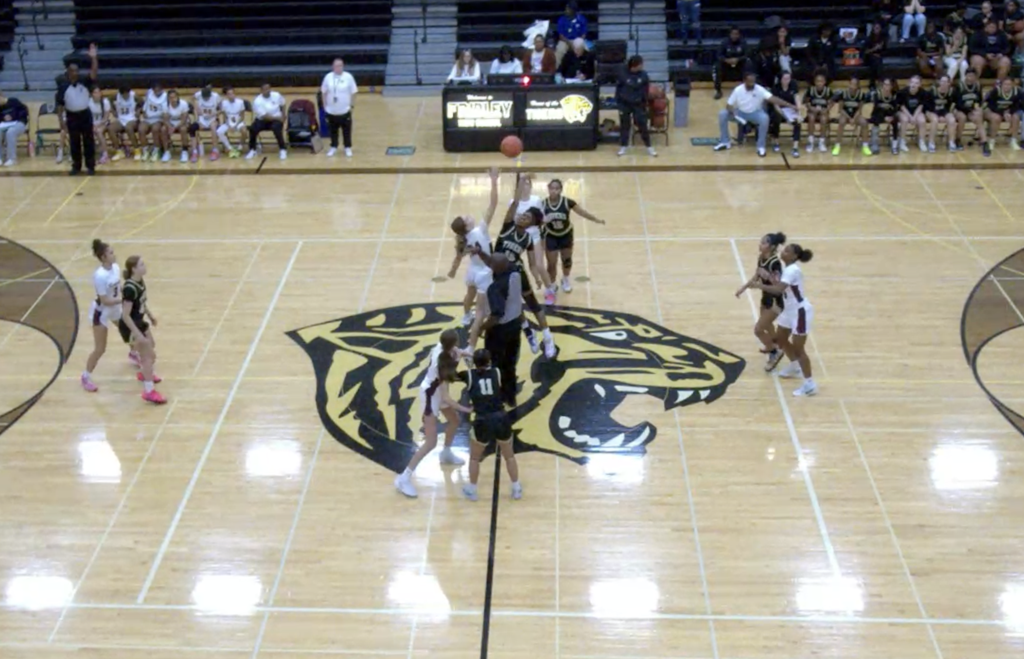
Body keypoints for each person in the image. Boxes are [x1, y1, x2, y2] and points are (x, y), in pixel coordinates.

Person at [393, 329, 470, 499]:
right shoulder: (441, 363)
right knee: (430, 442)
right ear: (454, 342)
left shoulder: (444, 348)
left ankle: (447, 453)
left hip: (436, 392)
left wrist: (471, 355)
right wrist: (466, 409)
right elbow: (447, 398)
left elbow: (460, 352)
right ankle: (403, 478)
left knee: (454, 421)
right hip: (430, 396)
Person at [749, 243, 817, 397]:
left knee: (800, 349)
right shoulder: (786, 269)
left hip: (800, 312)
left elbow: (778, 290)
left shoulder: (792, 271)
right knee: (780, 339)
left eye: (787, 251)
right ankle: (794, 365)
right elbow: (780, 286)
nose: (783, 251)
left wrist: (759, 285)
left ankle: (809, 383)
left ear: (793, 256)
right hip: (789, 310)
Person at [462, 349, 521, 502]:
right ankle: (516, 488)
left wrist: (462, 355)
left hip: (482, 420)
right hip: (501, 418)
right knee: (509, 456)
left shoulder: (468, 375)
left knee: (475, 458)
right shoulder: (496, 372)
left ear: (474, 362)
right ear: (489, 361)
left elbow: (450, 375)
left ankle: (473, 490)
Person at [448, 167, 500, 329]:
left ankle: (465, 316)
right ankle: (482, 323)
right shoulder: (481, 230)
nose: (468, 215)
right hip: (484, 271)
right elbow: (493, 203)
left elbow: (457, 259)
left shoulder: (463, 240)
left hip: (472, 270)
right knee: (483, 302)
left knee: (469, 295)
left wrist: (453, 271)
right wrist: (493, 180)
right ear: (467, 225)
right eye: (465, 218)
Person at [542, 177, 605, 295]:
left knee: (566, 260)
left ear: (560, 190)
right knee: (551, 263)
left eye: (557, 189)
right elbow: (536, 220)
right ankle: (552, 284)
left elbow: (582, 212)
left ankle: (565, 279)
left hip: (566, 235)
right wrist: (543, 221)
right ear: (548, 189)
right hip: (551, 235)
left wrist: (596, 220)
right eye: (552, 188)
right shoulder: (542, 204)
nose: (554, 191)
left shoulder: (567, 202)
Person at [714, 69, 798, 157]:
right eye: (749, 82)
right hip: (740, 113)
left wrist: (790, 105)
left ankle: (761, 146)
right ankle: (725, 141)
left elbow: (773, 99)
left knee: (765, 118)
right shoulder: (738, 90)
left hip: (755, 113)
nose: (752, 84)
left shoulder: (759, 89)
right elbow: (728, 105)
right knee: (722, 114)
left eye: (753, 81)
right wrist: (733, 111)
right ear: (744, 81)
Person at [735, 231, 787, 372]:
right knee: (768, 326)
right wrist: (743, 288)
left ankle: (774, 352)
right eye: (761, 241)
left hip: (776, 302)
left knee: (758, 330)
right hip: (766, 299)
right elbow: (756, 275)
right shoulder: (761, 258)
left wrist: (759, 286)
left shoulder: (775, 264)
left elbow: (777, 288)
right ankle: (773, 345)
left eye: (764, 242)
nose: (760, 244)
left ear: (771, 247)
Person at [118, 255, 166, 405]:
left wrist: (150, 316)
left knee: (151, 349)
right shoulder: (129, 288)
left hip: (139, 322)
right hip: (130, 326)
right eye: (141, 265)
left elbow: (142, 302)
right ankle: (149, 391)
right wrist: (137, 334)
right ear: (134, 269)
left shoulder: (140, 282)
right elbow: (125, 315)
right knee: (148, 356)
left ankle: (145, 374)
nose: (145, 267)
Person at [480, 253, 524, 407]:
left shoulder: (495, 288)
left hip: (500, 331)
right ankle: (510, 397)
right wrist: (480, 252)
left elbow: (496, 316)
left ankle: (495, 396)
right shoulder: (515, 271)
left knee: (495, 363)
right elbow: (494, 263)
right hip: (515, 325)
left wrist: (481, 327)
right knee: (510, 363)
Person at [82, 239, 121, 392]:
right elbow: (105, 300)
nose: (114, 255)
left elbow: (119, 287)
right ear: (103, 257)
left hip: (115, 307)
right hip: (102, 313)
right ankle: (85, 376)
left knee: (129, 331)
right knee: (100, 348)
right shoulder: (99, 276)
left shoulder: (116, 268)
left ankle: (133, 353)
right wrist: (123, 301)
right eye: (110, 253)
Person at [56, 43, 99, 176]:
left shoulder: (84, 81)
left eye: (76, 70)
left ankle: (91, 166)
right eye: (72, 71)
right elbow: (60, 106)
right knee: (74, 142)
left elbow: (93, 73)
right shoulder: (63, 86)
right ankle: (76, 166)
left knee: (88, 141)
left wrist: (93, 58)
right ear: (68, 72)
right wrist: (61, 122)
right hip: (71, 116)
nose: (75, 73)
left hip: (85, 114)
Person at [616, 55, 657, 157]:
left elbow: (646, 90)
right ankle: (623, 146)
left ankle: (649, 147)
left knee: (642, 125)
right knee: (625, 125)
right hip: (624, 103)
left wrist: (644, 102)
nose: (642, 66)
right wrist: (619, 102)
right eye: (640, 64)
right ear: (634, 66)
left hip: (638, 104)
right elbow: (618, 89)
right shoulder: (622, 74)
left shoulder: (643, 75)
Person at [320, 58, 358, 158]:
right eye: (336, 66)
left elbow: (354, 92)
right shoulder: (328, 77)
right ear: (333, 67)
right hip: (331, 111)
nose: (339, 68)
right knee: (333, 131)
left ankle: (347, 147)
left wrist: (352, 106)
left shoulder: (348, 77)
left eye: (340, 65)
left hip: (345, 110)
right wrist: (324, 106)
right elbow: (323, 92)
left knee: (346, 130)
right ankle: (333, 146)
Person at [246, 83, 287, 161]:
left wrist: (283, 115)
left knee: (277, 129)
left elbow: (283, 104)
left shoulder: (276, 95)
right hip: (263, 120)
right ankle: (252, 149)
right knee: (253, 129)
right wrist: (278, 118)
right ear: (261, 91)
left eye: (269, 89)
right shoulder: (257, 101)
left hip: (276, 120)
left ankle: (282, 149)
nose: (267, 91)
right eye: (265, 89)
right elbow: (265, 116)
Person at [832, 75, 871, 155]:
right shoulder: (843, 94)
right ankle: (837, 145)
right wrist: (849, 118)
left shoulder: (861, 95)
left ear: (857, 85)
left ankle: (865, 146)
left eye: (855, 84)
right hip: (845, 114)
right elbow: (840, 109)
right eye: (852, 84)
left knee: (864, 123)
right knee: (841, 122)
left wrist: (854, 118)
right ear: (849, 84)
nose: (853, 86)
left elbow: (860, 110)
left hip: (855, 115)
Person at [953, 69, 989, 154]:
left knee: (979, 116)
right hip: (958, 109)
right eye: (969, 76)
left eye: (973, 76)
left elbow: (979, 100)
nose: (971, 78)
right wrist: (970, 110)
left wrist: (977, 107)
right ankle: (957, 139)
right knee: (962, 118)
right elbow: (957, 103)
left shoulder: (977, 86)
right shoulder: (959, 86)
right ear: (965, 76)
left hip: (970, 110)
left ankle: (984, 142)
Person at [984, 76, 1023, 151]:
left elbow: (1017, 105)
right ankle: (991, 140)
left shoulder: (1017, 91)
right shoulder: (996, 91)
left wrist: (1009, 112)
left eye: (1009, 84)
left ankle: (1013, 140)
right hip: (991, 110)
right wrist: (1003, 113)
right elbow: (990, 105)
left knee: (1016, 116)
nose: (1007, 86)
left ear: (1013, 85)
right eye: (1005, 84)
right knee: (997, 118)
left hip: (1006, 111)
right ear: (1001, 85)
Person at [768, 71, 801, 157]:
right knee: (776, 118)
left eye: (789, 78)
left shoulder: (793, 86)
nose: (787, 80)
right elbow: (776, 105)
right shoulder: (775, 88)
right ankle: (776, 141)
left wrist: (799, 112)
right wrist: (786, 117)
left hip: (791, 110)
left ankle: (795, 147)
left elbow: (797, 99)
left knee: (797, 122)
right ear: (780, 79)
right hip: (780, 111)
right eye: (785, 79)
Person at [897, 75, 930, 152]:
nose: (913, 85)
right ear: (909, 83)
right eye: (912, 82)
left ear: (920, 85)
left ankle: (921, 141)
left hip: (916, 111)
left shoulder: (923, 93)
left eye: (916, 83)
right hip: (904, 111)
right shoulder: (902, 92)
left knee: (922, 120)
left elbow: (920, 106)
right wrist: (910, 117)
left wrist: (914, 117)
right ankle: (902, 141)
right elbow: (902, 106)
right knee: (904, 120)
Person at [868, 77, 901, 155]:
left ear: (891, 86)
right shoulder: (877, 94)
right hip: (878, 114)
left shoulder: (894, 95)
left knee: (896, 120)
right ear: (882, 85)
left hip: (889, 115)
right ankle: (874, 144)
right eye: (885, 85)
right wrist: (884, 118)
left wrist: (892, 116)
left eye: (888, 85)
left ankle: (894, 145)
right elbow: (876, 108)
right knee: (876, 119)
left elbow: (895, 108)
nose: (886, 87)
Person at [714, 26, 748, 100]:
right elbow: (719, 55)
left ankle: (747, 89)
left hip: (739, 63)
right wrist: (726, 60)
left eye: (736, 34)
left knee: (748, 64)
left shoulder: (743, 42)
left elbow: (747, 55)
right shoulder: (724, 42)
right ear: (730, 34)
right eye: (733, 34)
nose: (734, 36)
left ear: (739, 35)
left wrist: (738, 59)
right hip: (726, 64)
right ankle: (718, 91)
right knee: (718, 66)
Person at [191, 84, 221, 162]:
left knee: (213, 128)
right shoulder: (198, 94)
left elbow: (221, 109)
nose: (206, 99)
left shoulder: (216, 97)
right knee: (192, 128)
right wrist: (196, 108)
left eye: (207, 97)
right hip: (202, 119)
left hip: (212, 118)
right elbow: (193, 99)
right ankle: (194, 151)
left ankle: (215, 150)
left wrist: (214, 114)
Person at [927, 74, 959, 151]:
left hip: (945, 111)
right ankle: (931, 142)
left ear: (949, 83)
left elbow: (955, 104)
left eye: (946, 82)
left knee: (952, 120)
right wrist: (938, 115)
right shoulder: (932, 90)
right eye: (942, 81)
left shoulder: (952, 91)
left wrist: (950, 113)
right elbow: (927, 105)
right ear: (939, 82)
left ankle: (951, 142)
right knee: (935, 120)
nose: (944, 83)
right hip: (931, 111)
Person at [140, 83, 169, 163]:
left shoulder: (166, 96)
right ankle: (145, 150)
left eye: (158, 90)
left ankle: (157, 149)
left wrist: (164, 118)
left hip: (158, 118)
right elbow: (146, 104)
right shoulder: (149, 93)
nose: (156, 92)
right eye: (155, 90)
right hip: (148, 118)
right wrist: (144, 111)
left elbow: (165, 112)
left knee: (155, 129)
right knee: (141, 129)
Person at [804, 72, 832, 153]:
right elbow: (806, 102)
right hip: (812, 112)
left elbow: (831, 103)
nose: (819, 83)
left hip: (823, 112)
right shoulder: (811, 89)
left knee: (823, 119)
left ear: (824, 82)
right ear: (814, 82)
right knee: (811, 118)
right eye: (817, 81)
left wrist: (827, 109)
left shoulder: (828, 90)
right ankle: (811, 141)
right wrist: (811, 108)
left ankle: (822, 141)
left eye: (821, 81)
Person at [217, 86, 248, 158]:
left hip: (238, 121)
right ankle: (229, 147)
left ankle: (240, 147)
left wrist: (236, 125)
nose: (231, 95)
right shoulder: (224, 103)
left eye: (232, 93)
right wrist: (229, 125)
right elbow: (225, 117)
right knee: (219, 131)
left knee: (244, 131)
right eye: (229, 94)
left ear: (235, 94)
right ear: (226, 95)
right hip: (228, 122)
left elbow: (242, 116)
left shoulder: (240, 102)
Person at [111, 86, 140, 160]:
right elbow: (109, 100)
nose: (126, 96)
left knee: (128, 128)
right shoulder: (116, 96)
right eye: (124, 94)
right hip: (121, 119)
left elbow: (142, 103)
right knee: (111, 128)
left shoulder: (134, 96)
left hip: (132, 118)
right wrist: (113, 110)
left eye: (127, 94)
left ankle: (137, 150)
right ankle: (119, 151)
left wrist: (138, 110)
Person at [0, 92, 29, 167]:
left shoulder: (14, 101)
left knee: (10, 132)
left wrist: (13, 117)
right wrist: (3, 118)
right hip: (5, 125)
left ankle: (12, 158)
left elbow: (24, 112)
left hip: (19, 123)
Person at [556, 1, 588, 67]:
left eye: (568, 9)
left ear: (573, 10)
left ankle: (587, 70)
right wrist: (569, 43)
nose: (566, 10)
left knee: (587, 49)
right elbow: (561, 36)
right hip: (565, 41)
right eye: (566, 8)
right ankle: (556, 71)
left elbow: (584, 34)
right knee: (559, 50)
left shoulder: (581, 19)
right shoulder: (562, 19)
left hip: (577, 40)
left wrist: (578, 42)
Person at [165, 90, 192, 163]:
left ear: (177, 97)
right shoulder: (165, 105)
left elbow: (183, 120)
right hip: (171, 123)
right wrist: (170, 126)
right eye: (170, 97)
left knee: (183, 129)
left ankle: (184, 151)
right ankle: (167, 151)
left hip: (181, 123)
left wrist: (174, 128)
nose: (172, 99)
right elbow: (166, 119)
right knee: (163, 129)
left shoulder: (183, 104)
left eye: (174, 97)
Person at [88, 87, 113, 166]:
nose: (97, 94)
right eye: (95, 92)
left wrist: (98, 125)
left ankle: (105, 154)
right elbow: (87, 117)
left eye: (99, 92)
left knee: (98, 131)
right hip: (92, 123)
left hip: (103, 123)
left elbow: (106, 117)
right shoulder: (88, 102)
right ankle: (90, 152)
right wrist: (92, 125)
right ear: (92, 94)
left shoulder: (105, 102)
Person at [864, 22, 888, 90]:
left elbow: (885, 51)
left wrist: (879, 53)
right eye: (875, 28)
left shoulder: (883, 39)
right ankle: (880, 80)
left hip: (878, 58)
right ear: (873, 29)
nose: (877, 29)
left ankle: (872, 84)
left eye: (878, 28)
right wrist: (874, 49)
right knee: (875, 59)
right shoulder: (868, 39)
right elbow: (865, 52)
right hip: (868, 58)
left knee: (876, 61)